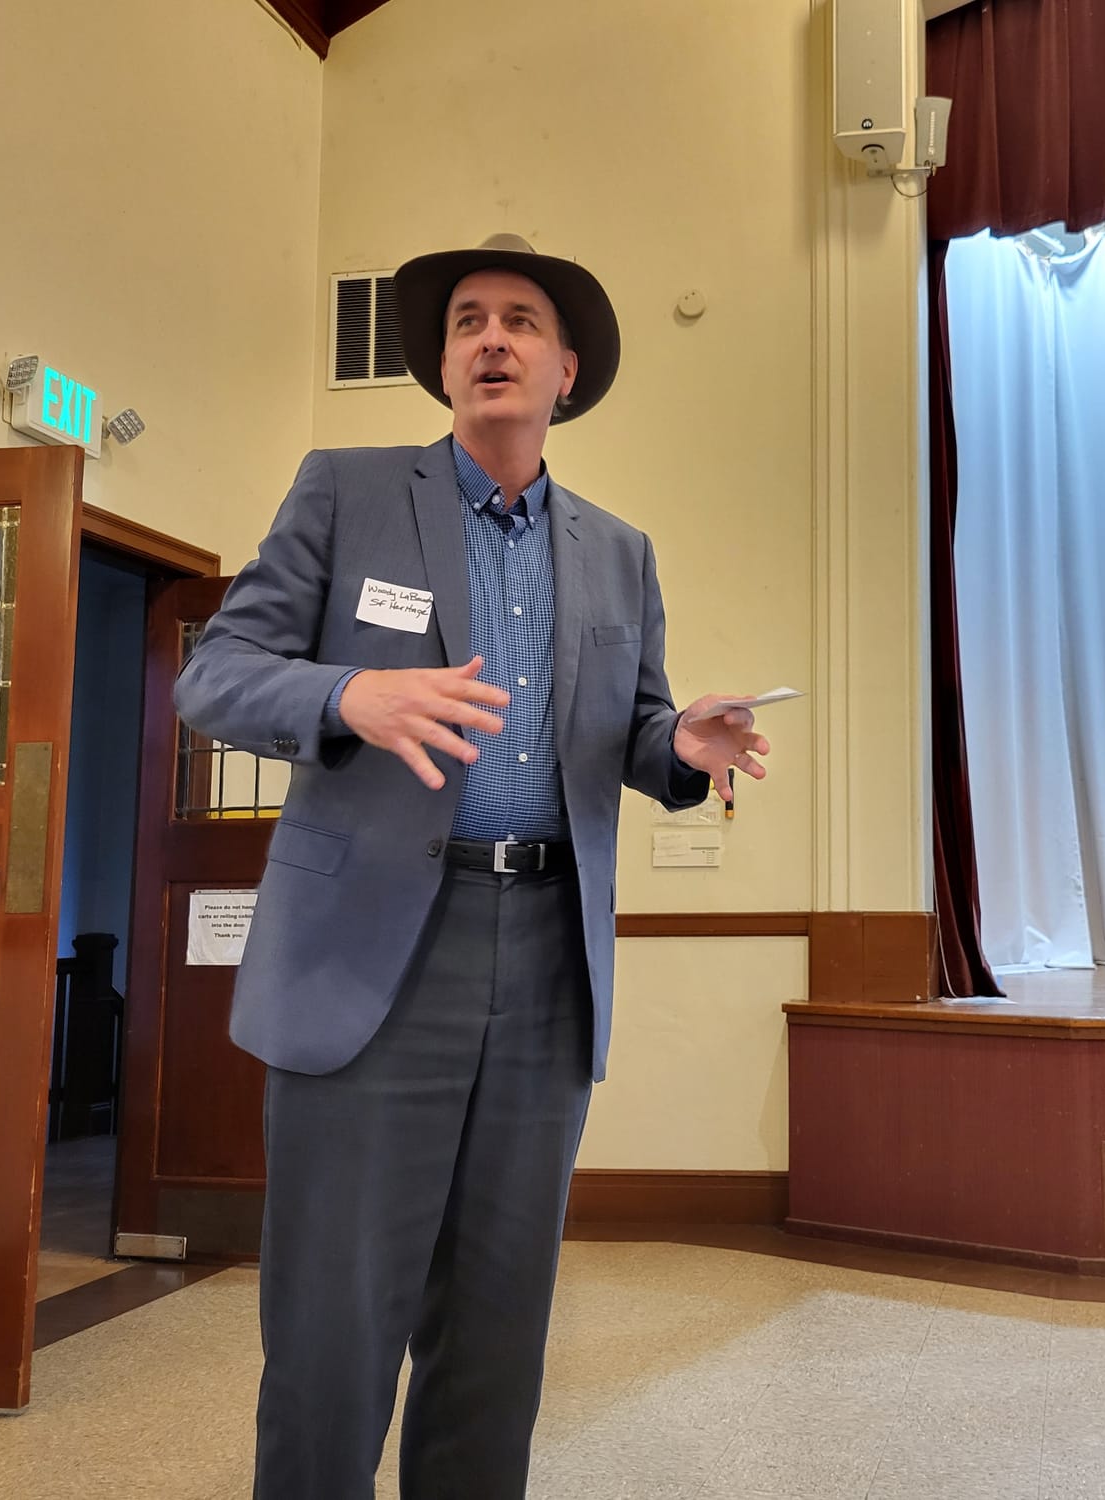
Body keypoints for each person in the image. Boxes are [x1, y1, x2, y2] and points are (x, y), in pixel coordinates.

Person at [174, 232, 770, 1498]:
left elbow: (631, 724)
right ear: (444, 364)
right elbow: (214, 677)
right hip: (376, 962)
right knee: (336, 1326)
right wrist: (352, 695)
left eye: (517, 322)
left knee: (498, 1327)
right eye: (466, 322)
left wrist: (684, 746)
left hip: (547, 958)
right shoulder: (346, 488)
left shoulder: (618, 550)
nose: (488, 339)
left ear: (565, 371)